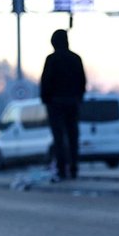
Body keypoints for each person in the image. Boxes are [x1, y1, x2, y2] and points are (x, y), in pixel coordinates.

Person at [40, 29, 87, 180]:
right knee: (73, 136)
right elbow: (82, 81)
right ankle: (74, 168)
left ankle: (62, 169)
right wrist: (78, 98)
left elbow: (46, 82)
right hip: (72, 103)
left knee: (59, 138)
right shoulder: (75, 59)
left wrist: (46, 99)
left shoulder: (51, 60)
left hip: (55, 104)